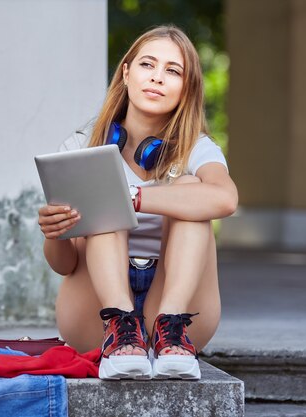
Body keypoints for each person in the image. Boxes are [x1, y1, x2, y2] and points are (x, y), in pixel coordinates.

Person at [37, 25, 238, 381]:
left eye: (173, 71)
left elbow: (225, 198)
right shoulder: (82, 146)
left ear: (186, 87)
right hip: (96, 312)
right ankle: (121, 333)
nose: (158, 78)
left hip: (180, 307)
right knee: (104, 181)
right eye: (148, 65)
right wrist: (55, 233)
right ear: (127, 72)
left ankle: (171, 331)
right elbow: (64, 265)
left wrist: (137, 198)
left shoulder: (198, 148)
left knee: (194, 191)